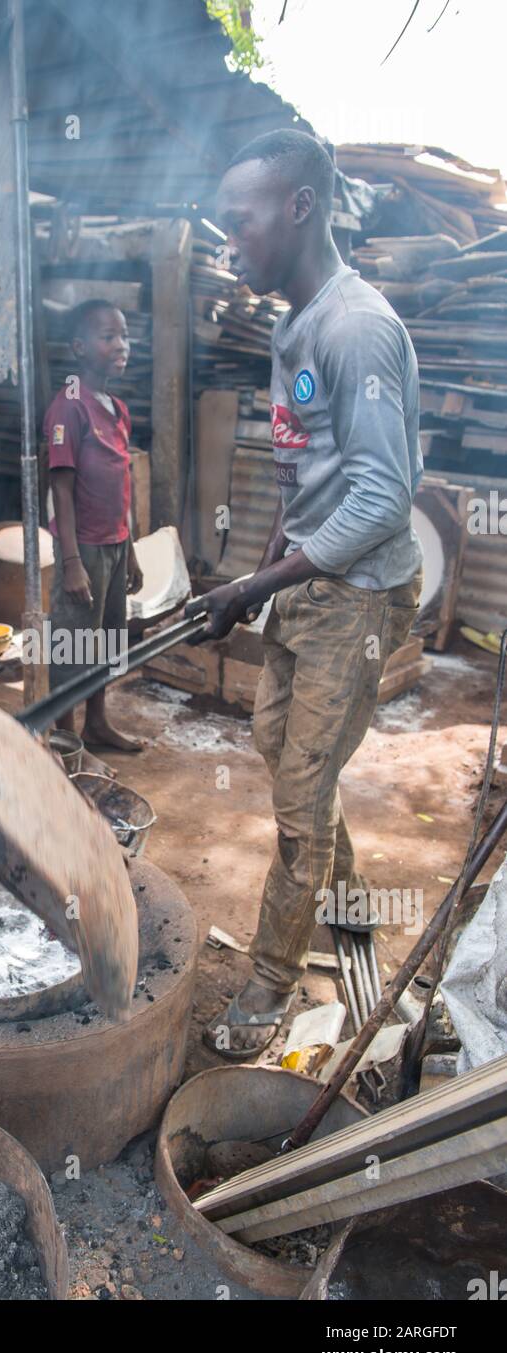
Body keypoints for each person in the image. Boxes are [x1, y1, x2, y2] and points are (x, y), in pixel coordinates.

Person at [190, 129, 423, 1060]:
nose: (228, 237)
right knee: (284, 748)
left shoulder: (354, 326)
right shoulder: (291, 323)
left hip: (359, 598)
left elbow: (380, 494)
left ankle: (268, 986)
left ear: (298, 207)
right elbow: (303, 478)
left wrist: (262, 578)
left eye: (239, 219)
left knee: (298, 795)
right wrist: (254, 575)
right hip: (309, 588)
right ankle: (354, 908)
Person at [46, 299, 144, 753]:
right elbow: (61, 489)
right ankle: (65, 739)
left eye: (123, 335)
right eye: (109, 337)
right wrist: (70, 562)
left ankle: (97, 723)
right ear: (80, 347)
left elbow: (122, 481)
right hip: (82, 548)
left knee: (107, 642)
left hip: (115, 545)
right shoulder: (69, 407)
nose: (121, 345)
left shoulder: (117, 408)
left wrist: (132, 550)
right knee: (70, 648)